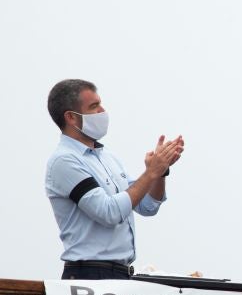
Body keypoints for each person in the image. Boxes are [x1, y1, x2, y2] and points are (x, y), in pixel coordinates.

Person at [45, 79, 184, 280]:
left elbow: (147, 206)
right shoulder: (64, 161)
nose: (103, 111)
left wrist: (161, 172)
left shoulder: (107, 156)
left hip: (120, 274)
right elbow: (109, 212)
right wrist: (150, 173)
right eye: (94, 107)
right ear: (71, 118)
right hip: (89, 274)